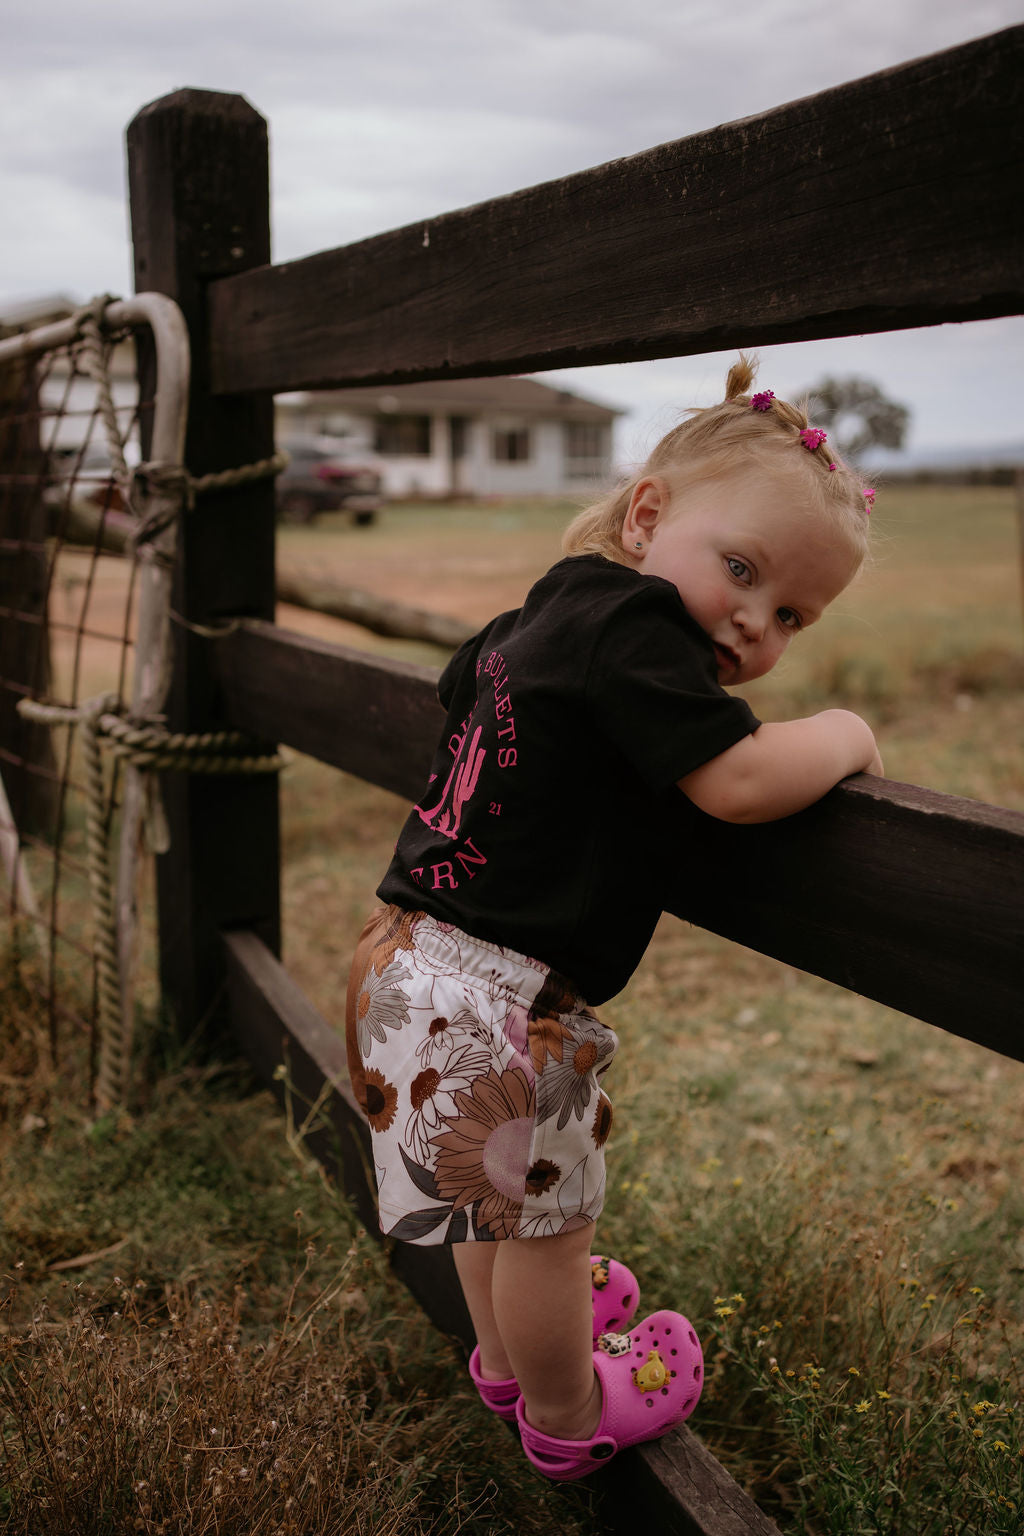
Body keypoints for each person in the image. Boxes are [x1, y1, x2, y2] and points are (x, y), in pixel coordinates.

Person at [345, 356, 883, 1481]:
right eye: (741, 570)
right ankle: (567, 1410)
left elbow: (470, 704)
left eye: (792, 613)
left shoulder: (539, 614)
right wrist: (844, 733)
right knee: (547, 1234)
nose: (750, 623)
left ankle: (503, 1365)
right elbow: (735, 782)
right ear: (648, 517)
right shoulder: (637, 628)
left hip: (403, 955)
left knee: (498, 1215)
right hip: (498, 997)